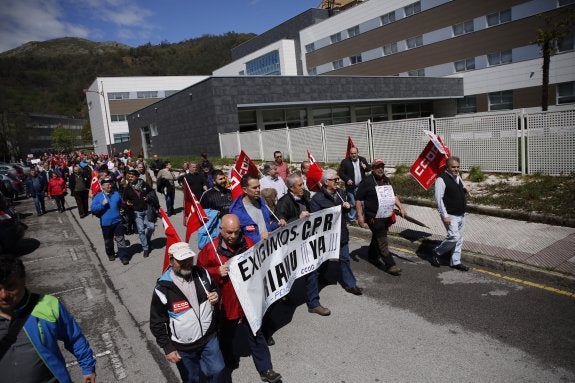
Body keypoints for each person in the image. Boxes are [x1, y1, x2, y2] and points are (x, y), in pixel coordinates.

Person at [197, 215, 282, 383]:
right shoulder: (209, 250)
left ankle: (266, 369)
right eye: (229, 232)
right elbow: (199, 275)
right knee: (226, 334)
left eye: (236, 232)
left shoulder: (249, 243)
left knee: (256, 333)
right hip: (226, 303)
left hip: (249, 300)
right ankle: (228, 357)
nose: (233, 236)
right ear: (221, 229)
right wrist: (215, 272)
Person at [0, 257, 97, 383]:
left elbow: (74, 338)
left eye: (10, 286)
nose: (3, 295)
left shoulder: (48, 305)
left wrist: (88, 367)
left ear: (23, 279)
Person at [149, 242, 224, 383]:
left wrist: (216, 294)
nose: (186, 263)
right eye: (181, 260)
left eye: (189, 258)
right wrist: (167, 347)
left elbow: (216, 288)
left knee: (218, 369)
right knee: (192, 379)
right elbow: (156, 322)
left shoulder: (203, 273)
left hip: (209, 337)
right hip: (183, 347)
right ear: (171, 260)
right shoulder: (163, 288)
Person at [277, 174, 331, 316]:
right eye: (300, 185)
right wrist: (297, 219)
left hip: (306, 241)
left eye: (303, 184)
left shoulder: (306, 195)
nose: (303, 187)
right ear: (291, 188)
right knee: (290, 274)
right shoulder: (283, 202)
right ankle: (283, 294)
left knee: (311, 270)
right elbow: (281, 226)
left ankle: (313, 303)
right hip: (291, 246)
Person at [311, 169, 363, 295]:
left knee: (344, 259)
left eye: (338, 179)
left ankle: (350, 284)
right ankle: (321, 277)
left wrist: (347, 208)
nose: (337, 182)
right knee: (324, 259)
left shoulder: (341, 193)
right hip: (326, 235)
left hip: (341, 232)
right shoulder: (317, 198)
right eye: (335, 180)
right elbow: (316, 217)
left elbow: (344, 212)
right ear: (326, 181)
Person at [355, 158, 406, 276]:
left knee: (377, 236)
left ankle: (372, 256)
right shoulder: (367, 182)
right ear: (372, 169)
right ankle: (390, 265)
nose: (380, 169)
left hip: (385, 216)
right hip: (373, 217)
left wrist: (401, 208)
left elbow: (394, 196)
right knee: (382, 239)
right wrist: (360, 216)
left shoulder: (387, 180)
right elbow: (358, 199)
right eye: (377, 167)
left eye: (382, 166)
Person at [429, 156, 470, 271]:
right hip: (450, 215)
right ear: (447, 167)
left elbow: (455, 194)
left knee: (459, 239)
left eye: (458, 167)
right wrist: (444, 215)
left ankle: (455, 261)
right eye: (453, 167)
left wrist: (465, 191)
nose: (456, 169)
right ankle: (436, 252)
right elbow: (439, 199)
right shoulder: (441, 179)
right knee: (454, 236)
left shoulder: (458, 177)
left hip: (461, 214)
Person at [229, 174, 281, 244]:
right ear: (245, 190)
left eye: (259, 186)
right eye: (254, 188)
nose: (258, 190)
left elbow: (267, 224)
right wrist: (259, 238)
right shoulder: (236, 211)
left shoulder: (262, 202)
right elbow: (237, 237)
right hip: (253, 250)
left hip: (269, 246)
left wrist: (278, 224)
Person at [91, 179, 130, 264]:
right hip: (106, 223)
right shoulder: (98, 196)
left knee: (121, 239)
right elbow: (93, 208)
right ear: (103, 186)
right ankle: (110, 254)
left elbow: (122, 203)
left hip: (117, 221)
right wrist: (102, 204)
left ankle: (123, 257)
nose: (110, 186)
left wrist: (123, 208)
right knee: (108, 241)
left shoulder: (116, 194)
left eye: (110, 184)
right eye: (107, 185)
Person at [122, 169, 159, 258]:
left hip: (147, 210)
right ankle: (145, 248)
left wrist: (148, 198)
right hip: (136, 212)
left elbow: (152, 193)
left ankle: (147, 239)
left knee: (151, 227)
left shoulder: (144, 184)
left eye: (132, 176)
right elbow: (124, 199)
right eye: (129, 177)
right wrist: (127, 203)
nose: (130, 178)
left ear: (137, 177)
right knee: (141, 230)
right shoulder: (127, 188)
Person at [338, 146, 371, 223]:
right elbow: (341, 173)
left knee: (362, 202)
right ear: (350, 154)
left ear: (357, 153)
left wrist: (366, 167)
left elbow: (369, 168)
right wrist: (347, 179)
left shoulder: (362, 159)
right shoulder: (345, 161)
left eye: (355, 153)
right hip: (351, 186)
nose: (353, 155)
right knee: (352, 203)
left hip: (361, 186)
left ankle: (361, 218)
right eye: (352, 153)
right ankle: (352, 219)